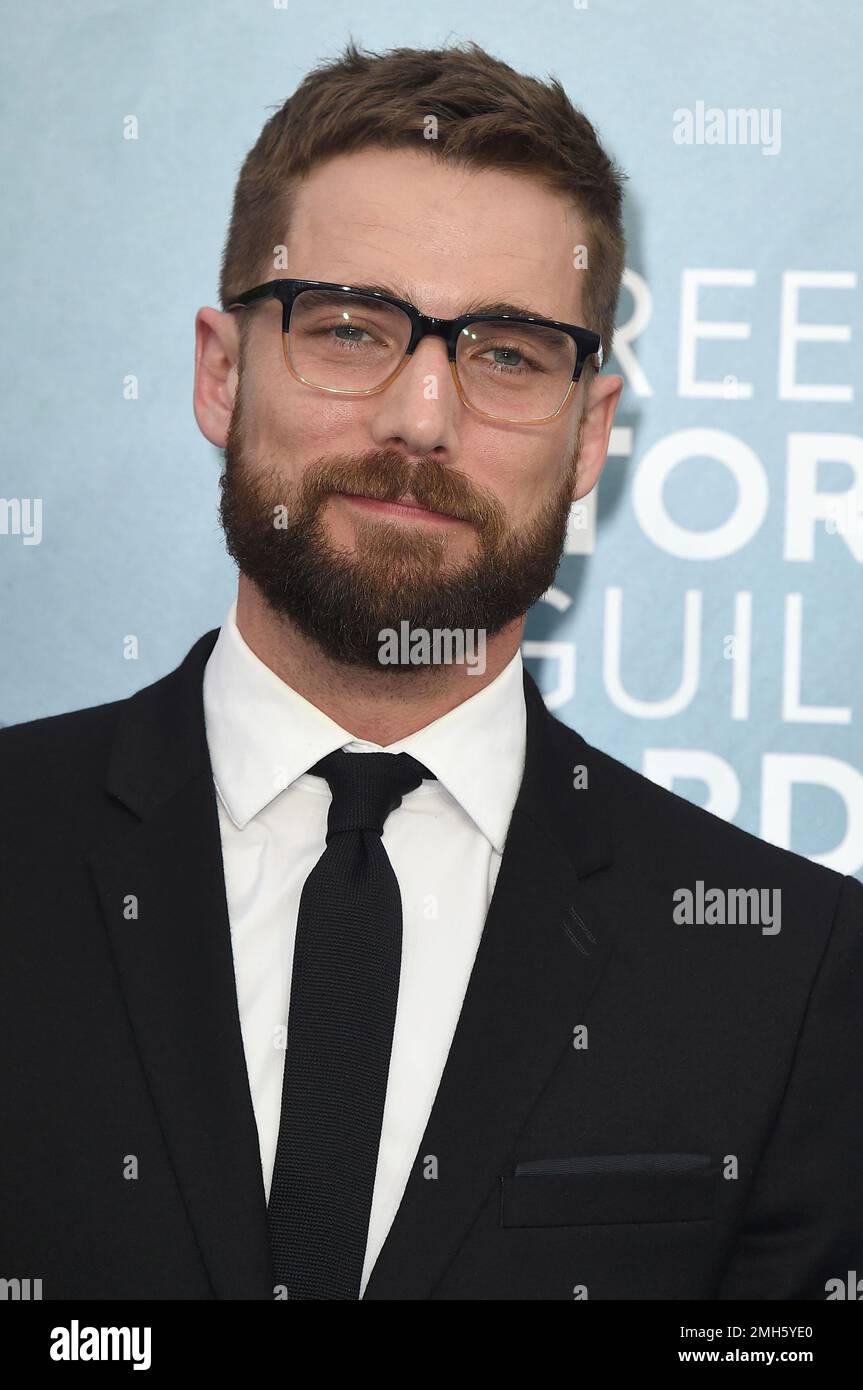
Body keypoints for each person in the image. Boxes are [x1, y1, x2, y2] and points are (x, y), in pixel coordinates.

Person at [1, 40, 861, 1302]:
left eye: (506, 354)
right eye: (349, 329)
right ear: (220, 372)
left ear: (590, 437)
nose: (419, 418)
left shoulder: (787, 969)